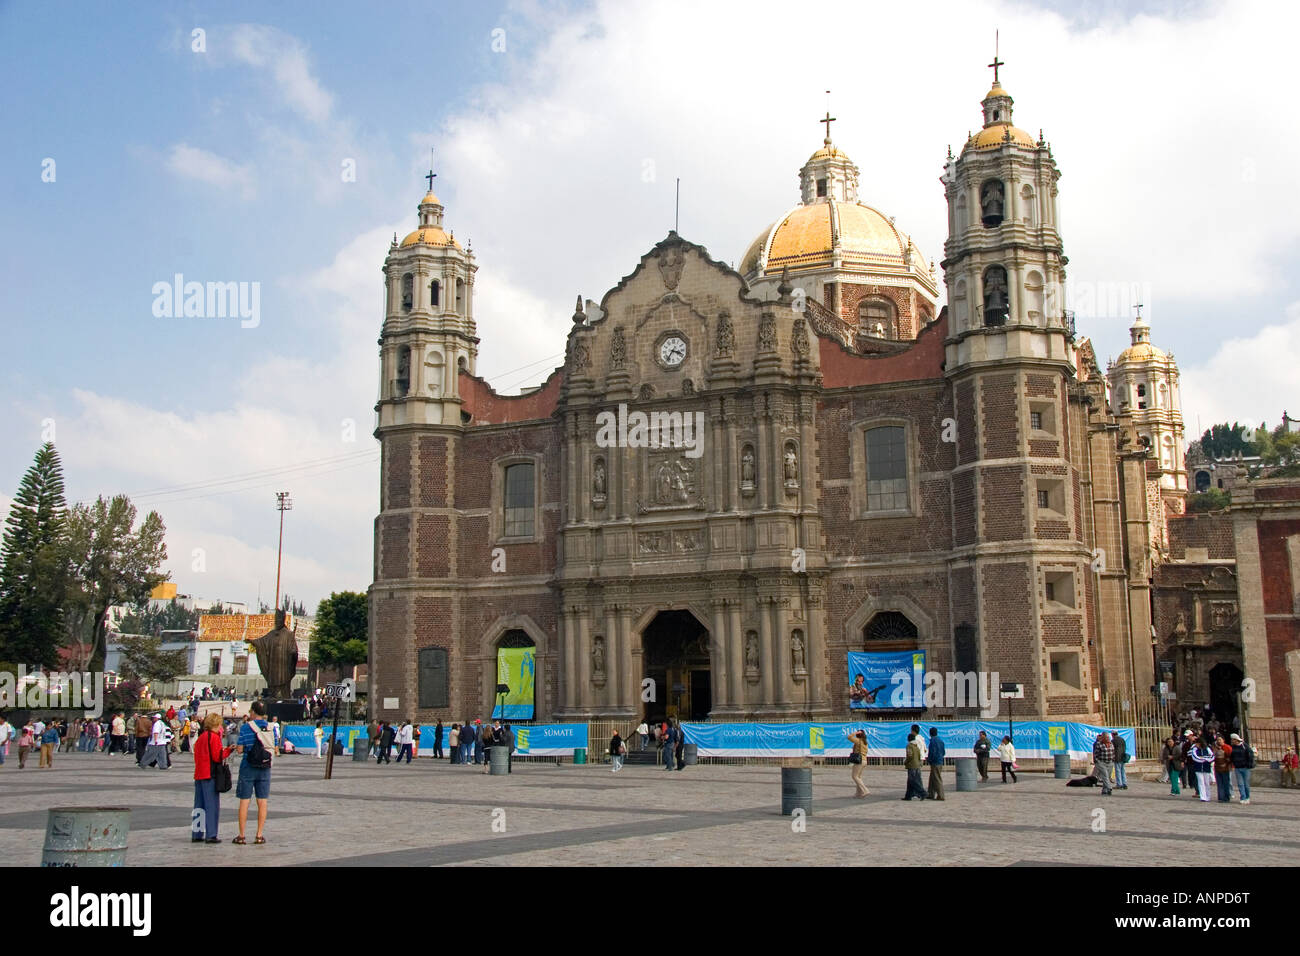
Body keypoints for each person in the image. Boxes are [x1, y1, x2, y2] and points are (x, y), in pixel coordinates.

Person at [233, 700, 274, 845]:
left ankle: (242, 835)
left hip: (248, 765)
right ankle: (259, 835)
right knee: (262, 801)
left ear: (253, 712)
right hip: (265, 766)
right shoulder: (271, 727)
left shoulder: (246, 727)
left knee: (245, 800)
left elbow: (240, 749)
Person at [192, 713, 231, 844]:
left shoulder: (201, 737)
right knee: (211, 805)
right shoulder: (213, 737)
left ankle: (197, 833)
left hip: (199, 774)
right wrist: (229, 751)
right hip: (210, 774)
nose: (221, 727)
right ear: (216, 724)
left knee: (199, 805)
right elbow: (217, 756)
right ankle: (211, 834)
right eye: (220, 724)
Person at [1189, 736, 1216, 802]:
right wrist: (1204, 759)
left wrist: (1204, 758)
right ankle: (1203, 796)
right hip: (1198, 768)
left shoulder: (1207, 748)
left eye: (1197, 743)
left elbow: (1212, 756)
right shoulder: (1195, 749)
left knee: (1206, 782)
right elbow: (1195, 757)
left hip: (1206, 767)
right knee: (1201, 782)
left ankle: (1208, 796)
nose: (1196, 745)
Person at [1228, 733, 1252, 805]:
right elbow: (1231, 756)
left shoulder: (1244, 746)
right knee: (1240, 784)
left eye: (1233, 740)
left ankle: (1247, 797)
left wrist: (1249, 764)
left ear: (1236, 740)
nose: (1232, 741)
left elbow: (1250, 755)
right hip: (1237, 767)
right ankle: (1243, 797)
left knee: (1246, 784)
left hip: (1245, 767)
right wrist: (1232, 763)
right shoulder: (1233, 747)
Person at [901, 732, 926, 800]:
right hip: (917, 765)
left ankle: (922, 792)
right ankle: (908, 796)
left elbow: (909, 755)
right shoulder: (916, 746)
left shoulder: (909, 746)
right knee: (910, 782)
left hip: (912, 765)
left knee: (913, 781)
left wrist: (906, 762)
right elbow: (918, 755)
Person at [846, 729, 869, 798]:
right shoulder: (865, 742)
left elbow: (849, 737)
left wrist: (856, 732)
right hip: (864, 760)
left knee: (854, 776)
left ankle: (865, 790)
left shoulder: (858, 741)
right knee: (858, 777)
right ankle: (858, 793)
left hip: (859, 761)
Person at [1091, 731, 1114, 796]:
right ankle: (1109, 787)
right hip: (1101, 762)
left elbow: (1113, 752)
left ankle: (1105, 790)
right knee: (1105, 775)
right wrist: (1097, 761)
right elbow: (1096, 754)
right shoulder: (1099, 744)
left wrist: (1113, 760)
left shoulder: (1111, 744)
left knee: (1107, 776)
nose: (1108, 738)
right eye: (1106, 737)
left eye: (1108, 737)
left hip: (1110, 762)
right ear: (1103, 738)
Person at [926, 727, 946, 800]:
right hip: (940, 761)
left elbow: (932, 753)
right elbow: (943, 752)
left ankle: (941, 795)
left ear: (930, 733)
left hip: (935, 762)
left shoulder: (933, 741)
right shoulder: (940, 741)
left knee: (937, 778)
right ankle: (930, 793)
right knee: (932, 778)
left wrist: (929, 760)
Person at [1213, 734, 1234, 803]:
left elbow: (1231, 757)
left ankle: (1226, 797)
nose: (1219, 741)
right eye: (1217, 740)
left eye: (1220, 740)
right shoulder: (1215, 748)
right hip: (1217, 767)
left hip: (1225, 768)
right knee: (1219, 783)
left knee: (1226, 783)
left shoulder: (1227, 747)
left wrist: (1231, 766)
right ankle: (1221, 797)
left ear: (1223, 740)